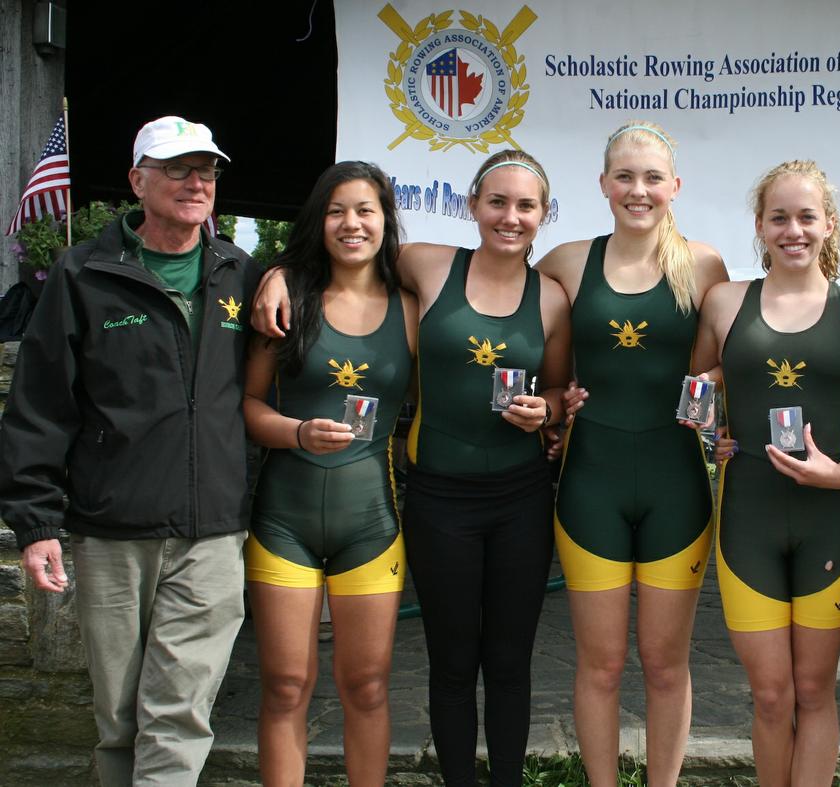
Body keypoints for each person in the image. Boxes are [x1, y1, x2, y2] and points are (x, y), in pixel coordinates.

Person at [252, 149, 571, 787]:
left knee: (504, 663)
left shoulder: (554, 298)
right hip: (435, 499)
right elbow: (346, 250)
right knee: (445, 663)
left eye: (526, 205)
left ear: (544, 215)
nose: (510, 216)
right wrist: (277, 272)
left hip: (518, 497)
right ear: (472, 206)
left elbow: (562, 392)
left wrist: (549, 411)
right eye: (496, 202)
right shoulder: (426, 265)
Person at [0, 116, 260, 786]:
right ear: (137, 180)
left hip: (212, 531)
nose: (195, 182)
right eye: (177, 169)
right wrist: (36, 522)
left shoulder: (240, 273)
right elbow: (38, 403)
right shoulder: (84, 272)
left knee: (178, 711)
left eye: (206, 170)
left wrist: (285, 279)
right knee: (118, 717)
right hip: (111, 530)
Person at [534, 121, 727, 787]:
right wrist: (554, 408)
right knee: (601, 663)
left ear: (675, 187)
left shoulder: (703, 266)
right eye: (625, 175)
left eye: (652, 177)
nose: (638, 189)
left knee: (667, 663)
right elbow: (523, 345)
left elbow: (730, 361)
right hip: (592, 487)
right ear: (603, 185)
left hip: (677, 485)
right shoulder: (563, 262)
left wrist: (722, 406)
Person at [692, 160, 840, 786]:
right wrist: (710, 434)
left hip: (827, 520)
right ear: (759, 225)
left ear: (829, 225)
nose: (793, 230)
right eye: (779, 217)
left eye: (807, 216)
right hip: (746, 518)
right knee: (772, 696)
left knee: (813, 691)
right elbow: (699, 388)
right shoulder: (725, 302)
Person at [243, 161, 416, 786]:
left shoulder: (411, 309)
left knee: (366, 686)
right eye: (337, 211)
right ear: (319, 222)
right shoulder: (288, 300)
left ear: (385, 221)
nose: (352, 224)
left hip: (370, 524)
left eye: (366, 210)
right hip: (282, 521)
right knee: (286, 685)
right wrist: (296, 433)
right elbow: (249, 407)